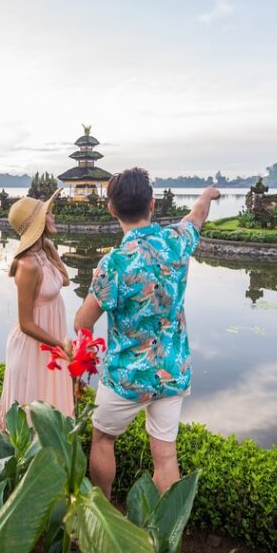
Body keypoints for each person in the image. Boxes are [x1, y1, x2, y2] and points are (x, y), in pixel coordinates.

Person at [74, 169, 220, 498]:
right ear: (152, 203)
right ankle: (164, 537)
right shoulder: (176, 242)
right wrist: (208, 194)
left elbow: (82, 323)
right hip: (172, 371)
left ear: (111, 209)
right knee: (165, 456)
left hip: (126, 375)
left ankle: (104, 513)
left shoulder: (114, 263)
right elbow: (196, 217)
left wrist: (97, 282)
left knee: (103, 439)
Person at [0, 188, 74, 428]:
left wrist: (52, 252)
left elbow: (66, 281)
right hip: (33, 347)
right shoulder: (28, 264)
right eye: (49, 213)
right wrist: (60, 346)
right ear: (39, 222)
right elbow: (26, 323)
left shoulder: (43, 253)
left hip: (49, 342)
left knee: (50, 410)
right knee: (31, 417)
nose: (53, 217)